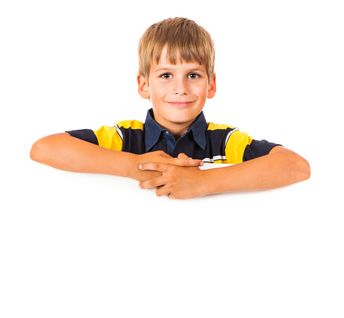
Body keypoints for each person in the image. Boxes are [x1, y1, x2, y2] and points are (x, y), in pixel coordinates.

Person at [30, 17, 310, 199]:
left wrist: (203, 182)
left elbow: (296, 166)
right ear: (144, 85)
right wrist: (132, 166)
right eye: (165, 75)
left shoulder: (223, 140)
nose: (181, 88)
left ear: (211, 85)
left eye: (193, 75)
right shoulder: (125, 136)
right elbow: (44, 148)